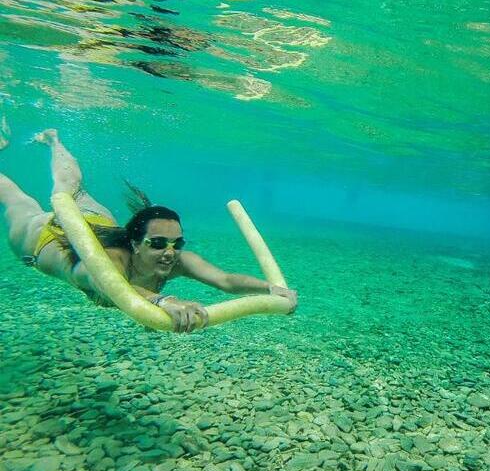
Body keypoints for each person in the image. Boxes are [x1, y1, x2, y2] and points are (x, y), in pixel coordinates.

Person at [0, 128, 297, 332]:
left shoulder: (175, 259)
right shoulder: (111, 260)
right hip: (42, 240)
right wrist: (163, 301)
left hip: (97, 222)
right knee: (19, 198)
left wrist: (271, 289)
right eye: (157, 243)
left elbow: (226, 280)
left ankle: (53, 139)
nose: (169, 253)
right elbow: (110, 285)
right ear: (134, 243)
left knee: (74, 187)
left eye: (176, 244)